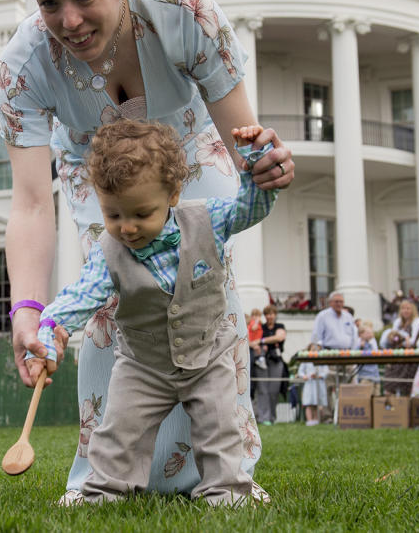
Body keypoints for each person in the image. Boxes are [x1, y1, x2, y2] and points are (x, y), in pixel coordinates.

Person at [0, 0, 294, 504]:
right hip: (95, 168)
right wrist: (28, 311)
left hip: (192, 147)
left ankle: (222, 473)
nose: (69, 20)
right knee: (109, 300)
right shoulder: (22, 66)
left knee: (204, 292)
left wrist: (265, 165)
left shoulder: (184, 14)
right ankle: (105, 476)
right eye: (49, 2)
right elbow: (32, 204)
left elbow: (246, 146)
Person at [37, 120, 276, 504]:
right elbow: (83, 294)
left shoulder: (207, 220)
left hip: (209, 356)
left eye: (140, 214)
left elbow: (251, 209)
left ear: (173, 193)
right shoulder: (107, 250)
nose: (127, 228)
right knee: (119, 432)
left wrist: (255, 163)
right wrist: (52, 326)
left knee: (220, 428)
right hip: (142, 365)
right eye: (113, 215)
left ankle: (227, 492)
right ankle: (103, 493)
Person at [255, 305, 287, 426]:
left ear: (275, 315)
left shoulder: (280, 326)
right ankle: (264, 417)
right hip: (261, 360)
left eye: (272, 313)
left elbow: (279, 337)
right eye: (268, 314)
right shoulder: (261, 327)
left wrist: (262, 341)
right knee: (262, 390)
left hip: (276, 360)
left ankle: (272, 416)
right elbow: (253, 340)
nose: (270, 316)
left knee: (274, 390)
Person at [297, 343, 328, 426]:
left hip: (319, 383)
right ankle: (310, 420)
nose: (315, 352)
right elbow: (300, 372)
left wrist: (319, 375)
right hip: (309, 384)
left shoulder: (323, 360)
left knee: (318, 403)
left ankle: (316, 419)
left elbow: (325, 372)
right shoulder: (306, 360)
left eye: (317, 350)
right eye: (313, 350)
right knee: (309, 403)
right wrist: (305, 376)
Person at [356, 323, 381, 393]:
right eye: (368, 332)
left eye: (371, 332)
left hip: (375, 376)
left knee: (376, 398)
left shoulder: (372, 344)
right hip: (365, 376)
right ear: (360, 334)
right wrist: (361, 347)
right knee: (365, 398)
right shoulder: (358, 345)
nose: (371, 334)